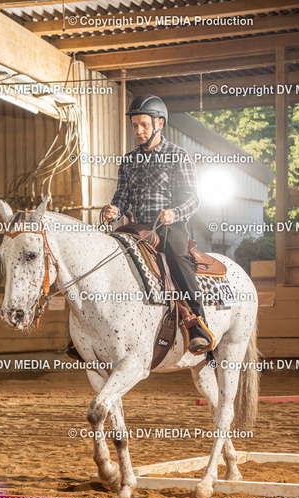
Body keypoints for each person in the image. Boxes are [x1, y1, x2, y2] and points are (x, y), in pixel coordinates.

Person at [102, 94, 215, 354]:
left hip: (169, 227)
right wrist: (114, 210)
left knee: (176, 256)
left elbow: (193, 199)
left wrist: (174, 213)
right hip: (137, 228)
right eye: (135, 126)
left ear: (159, 123)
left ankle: (198, 324)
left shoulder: (179, 156)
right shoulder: (128, 161)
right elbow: (121, 198)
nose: (138, 131)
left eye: (144, 125)